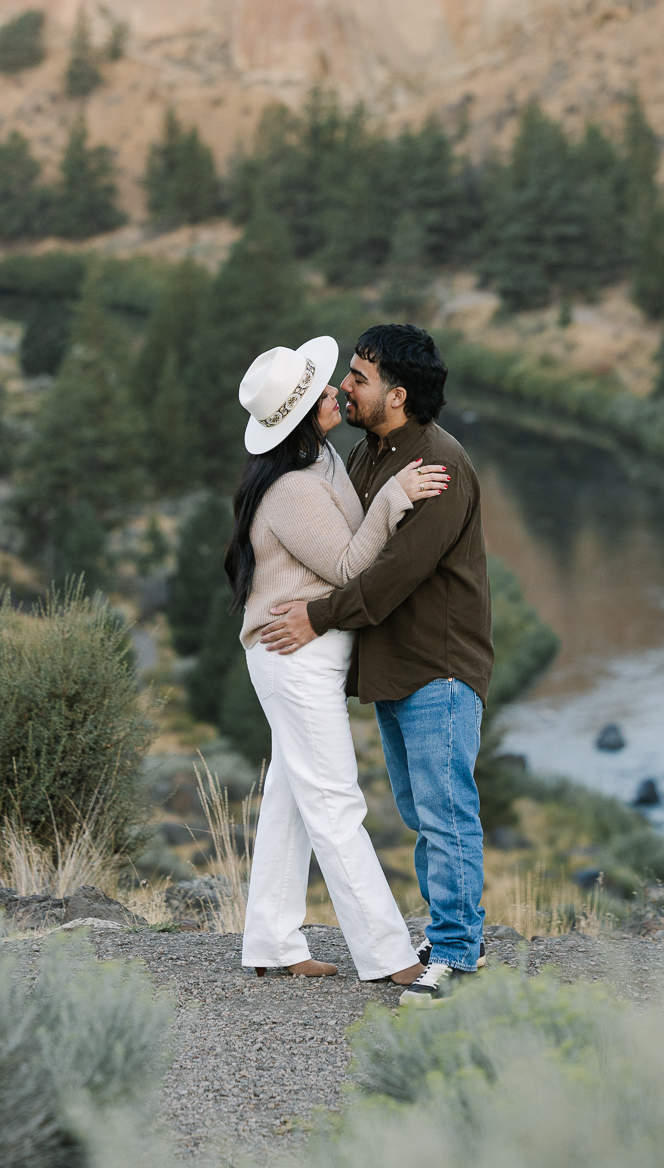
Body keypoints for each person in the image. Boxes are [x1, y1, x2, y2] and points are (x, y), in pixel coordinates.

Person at [260, 324, 492, 1005]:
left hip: (438, 667)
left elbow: (392, 576)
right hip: (397, 667)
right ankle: (454, 936)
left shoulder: (437, 466)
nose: (343, 387)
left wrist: (316, 618)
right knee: (424, 810)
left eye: (357, 378)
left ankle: (453, 953)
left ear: (397, 393)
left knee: (446, 812)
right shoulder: (371, 454)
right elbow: (349, 546)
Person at [229, 333, 450, 985]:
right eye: (320, 390)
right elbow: (352, 566)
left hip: (307, 656)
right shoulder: (293, 490)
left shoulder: (322, 460)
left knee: (293, 800)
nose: (335, 391)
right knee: (334, 802)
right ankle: (387, 958)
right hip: (293, 657)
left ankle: (271, 940)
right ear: (300, 416)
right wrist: (393, 499)